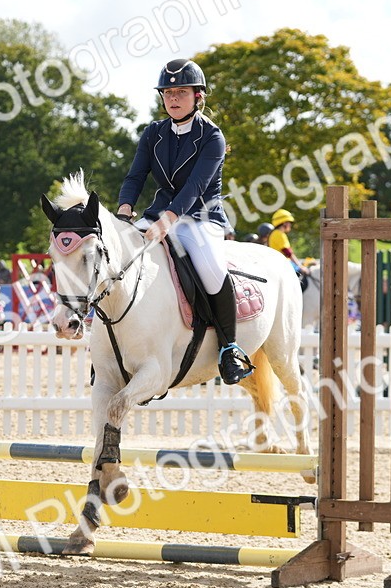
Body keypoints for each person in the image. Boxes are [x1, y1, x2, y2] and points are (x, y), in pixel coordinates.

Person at [116, 58, 252, 384]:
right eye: (168, 92)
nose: (173, 98)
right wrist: (123, 211)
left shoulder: (212, 137)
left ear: (198, 96)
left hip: (201, 217)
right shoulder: (153, 133)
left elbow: (195, 187)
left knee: (210, 267)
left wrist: (168, 220)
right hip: (158, 212)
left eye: (181, 91)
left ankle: (228, 348)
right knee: (117, 256)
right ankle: (108, 341)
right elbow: (135, 176)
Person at [266, 209, 308, 275]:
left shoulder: (273, 233)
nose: (290, 225)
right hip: (282, 265)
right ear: (284, 223)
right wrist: (300, 266)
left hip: (275, 264)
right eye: (289, 222)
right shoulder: (280, 234)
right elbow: (288, 252)